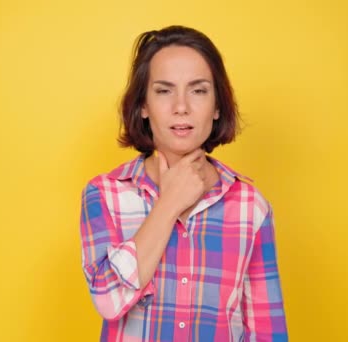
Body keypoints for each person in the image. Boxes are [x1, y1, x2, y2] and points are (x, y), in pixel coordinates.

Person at [79, 25, 288, 341]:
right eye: (164, 90)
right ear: (143, 106)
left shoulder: (250, 205)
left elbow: (267, 331)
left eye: (198, 90)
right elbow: (109, 300)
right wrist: (168, 204)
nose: (181, 106)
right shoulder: (105, 195)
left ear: (217, 106)